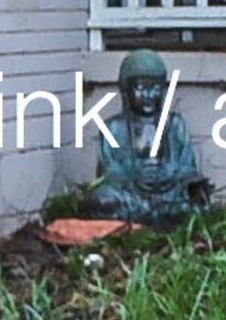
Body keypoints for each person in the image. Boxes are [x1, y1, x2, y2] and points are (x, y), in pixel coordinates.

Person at [84, 47, 211, 224]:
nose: (149, 95)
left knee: (195, 198)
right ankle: (152, 215)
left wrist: (176, 178)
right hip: (132, 192)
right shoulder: (113, 127)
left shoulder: (174, 124)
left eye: (155, 88)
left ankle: (156, 214)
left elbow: (186, 166)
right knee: (102, 198)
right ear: (127, 91)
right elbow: (110, 171)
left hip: (169, 191)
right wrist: (135, 177)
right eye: (141, 88)